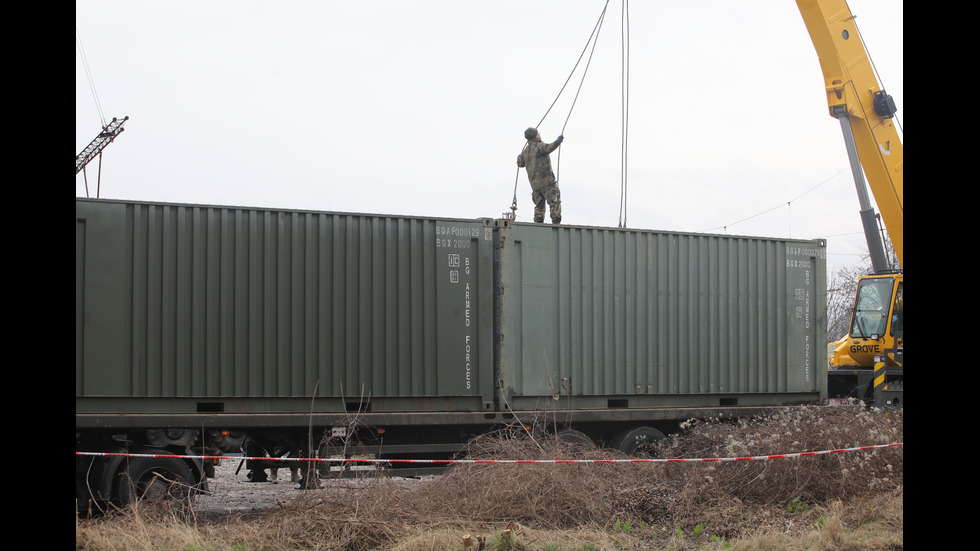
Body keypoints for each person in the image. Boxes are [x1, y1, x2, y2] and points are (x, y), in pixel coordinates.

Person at [516, 127, 564, 224]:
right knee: (554, 201)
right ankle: (556, 222)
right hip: (547, 181)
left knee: (539, 205)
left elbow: (520, 163)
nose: (539, 133)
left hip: (535, 185)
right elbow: (548, 148)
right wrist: (557, 142)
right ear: (535, 135)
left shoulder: (526, 151)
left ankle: (538, 223)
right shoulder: (539, 146)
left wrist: (519, 157)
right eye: (538, 133)